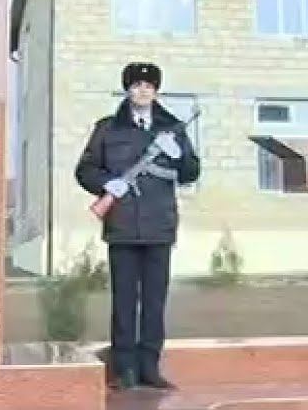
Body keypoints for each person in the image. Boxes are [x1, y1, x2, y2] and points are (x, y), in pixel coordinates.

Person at [75, 62, 200, 391]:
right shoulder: (107, 129)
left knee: (155, 301)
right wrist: (109, 184)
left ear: (156, 90)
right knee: (124, 300)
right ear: (128, 90)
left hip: (159, 225)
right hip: (122, 224)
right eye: (137, 85)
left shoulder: (172, 128)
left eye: (149, 85)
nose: (143, 90)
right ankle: (124, 369)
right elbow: (85, 169)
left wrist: (178, 156)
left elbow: (191, 172)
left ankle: (150, 368)